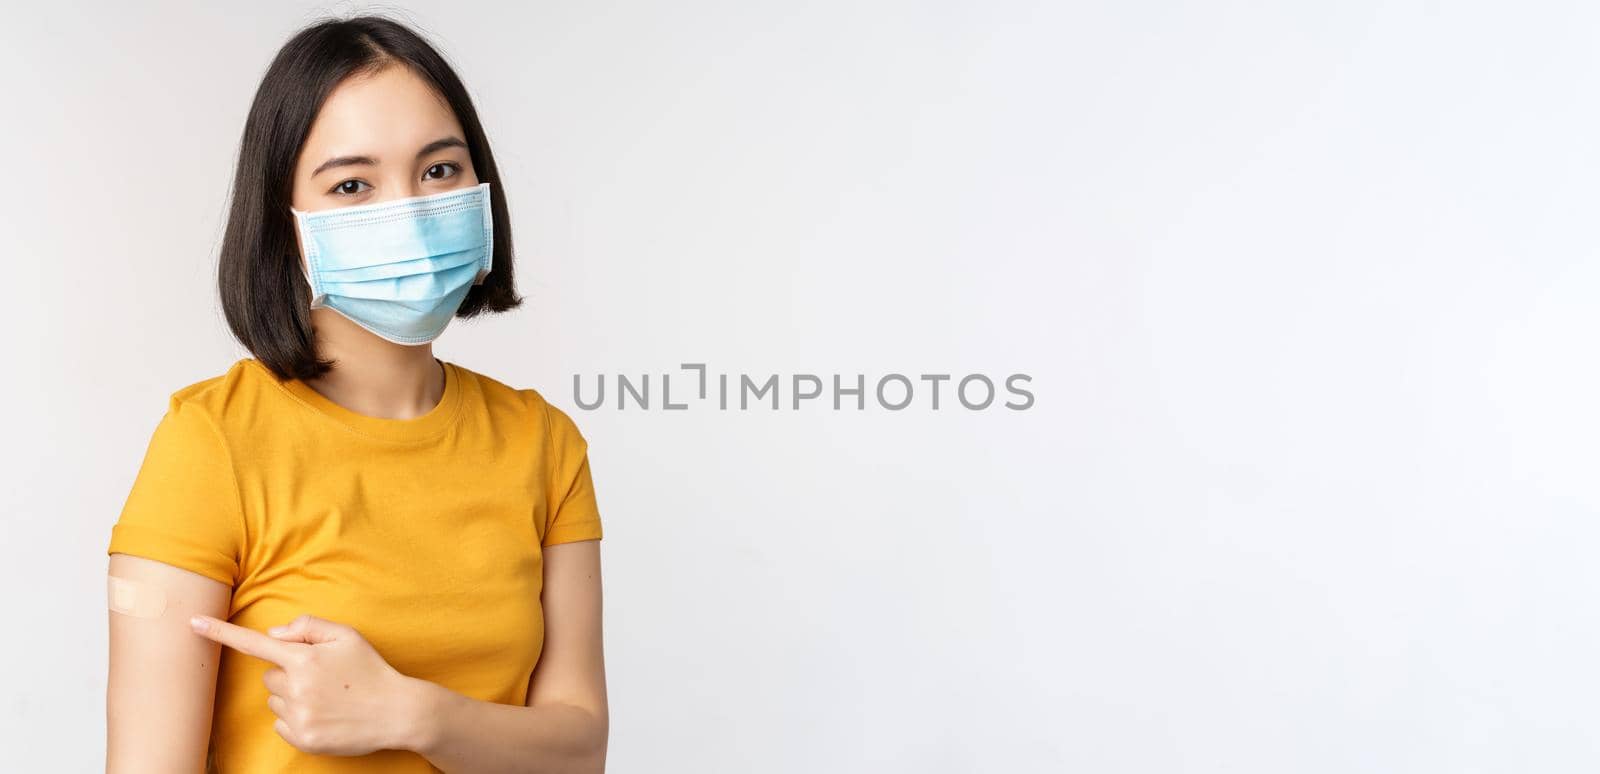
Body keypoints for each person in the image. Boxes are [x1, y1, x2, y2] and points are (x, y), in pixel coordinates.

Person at [104, 15, 608, 773]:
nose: (406, 208)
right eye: (351, 184)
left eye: (439, 170)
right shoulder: (211, 442)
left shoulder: (544, 443)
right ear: (288, 224)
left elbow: (579, 752)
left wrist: (410, 713)